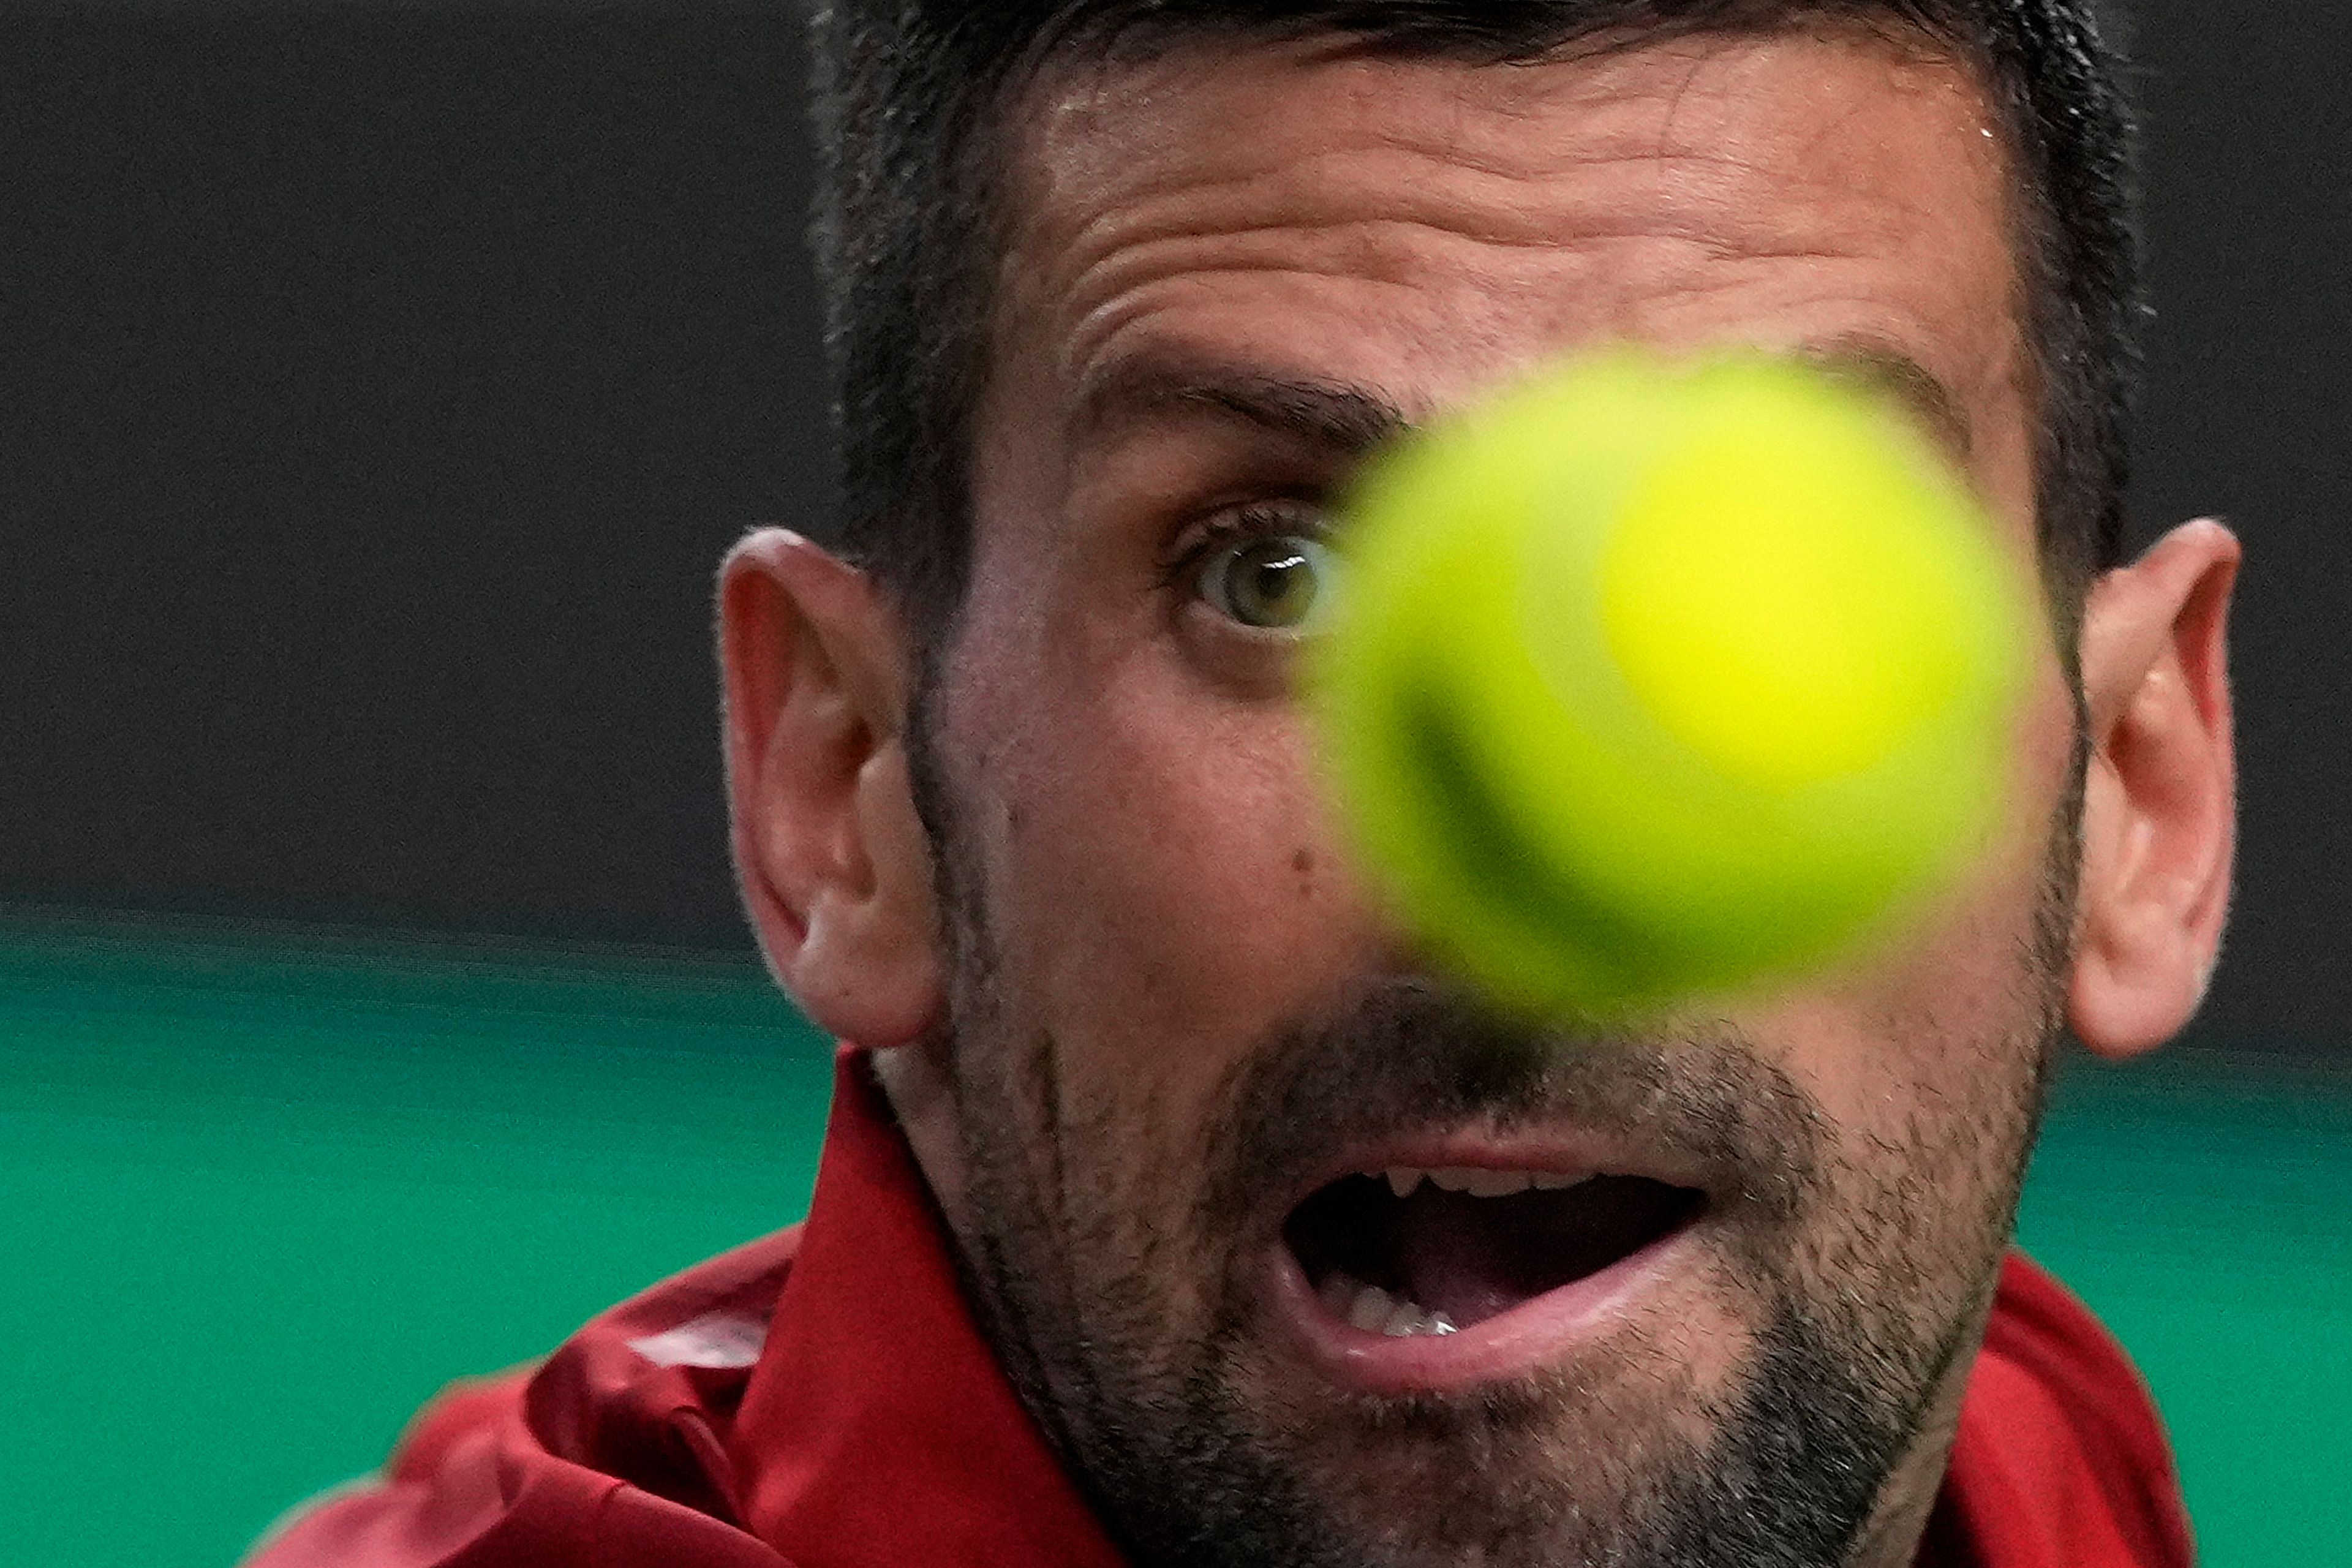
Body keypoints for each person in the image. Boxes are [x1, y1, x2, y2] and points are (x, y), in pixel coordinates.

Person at [246, 1, 2241, 1564]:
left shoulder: (2051, 1488)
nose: (1517, 848)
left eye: (1768, 573)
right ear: (845, 790)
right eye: (1275, 573)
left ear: (2140, 792)